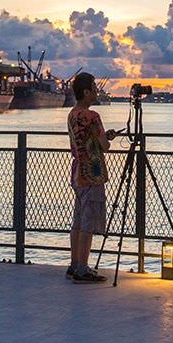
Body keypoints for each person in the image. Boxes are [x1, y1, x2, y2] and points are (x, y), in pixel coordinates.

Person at [66, 72, 117, 283]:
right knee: (88, 222)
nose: (97, 91)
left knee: (77, 221)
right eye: (94, 88)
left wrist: (101, 138)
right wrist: (107, 140)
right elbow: (104, 146)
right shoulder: (92, 116)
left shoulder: (72, 114)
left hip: (77, 172)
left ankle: (74, 264)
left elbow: (85, 140)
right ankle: (82, 269)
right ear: (86, 92)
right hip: (92, 174)